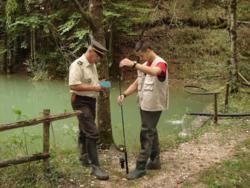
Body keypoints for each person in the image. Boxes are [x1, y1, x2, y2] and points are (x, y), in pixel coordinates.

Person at [117, 40, 169, 180]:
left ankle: (140, 168)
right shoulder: (144, 65)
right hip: (144, 104)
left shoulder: (160, 63)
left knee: (146, 133)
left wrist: (134, 64)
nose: (140, 59)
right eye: (138, 57)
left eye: (141, 56)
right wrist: (125, 94)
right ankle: (155, 160)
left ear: (149, 50)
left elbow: (156, 72)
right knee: (152, 130)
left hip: (154, 105)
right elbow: (137, 83)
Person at [69, 37, 109, 180]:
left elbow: (95, 83)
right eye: (97, 56)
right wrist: (94, 87)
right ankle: (95, 167)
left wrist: (104, 85)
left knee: (84, 129)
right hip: (80, 101)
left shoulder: (92, 65)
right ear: (91, 51)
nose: (97, 60)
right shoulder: (77, 65)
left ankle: (83, 156)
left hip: (91, 100)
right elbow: (73, 85)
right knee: (92, 132)